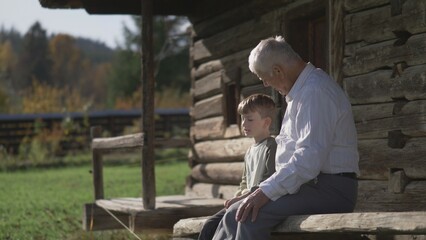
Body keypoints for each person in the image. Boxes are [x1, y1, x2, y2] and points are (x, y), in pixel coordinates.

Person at [212, 36, 360, 240]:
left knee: (249, 216)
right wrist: (260, 190)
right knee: (233, 214)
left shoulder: (315, 91)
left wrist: (264, 193)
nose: (265, 84)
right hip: (309, 186)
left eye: (264, 77)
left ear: (278, 70)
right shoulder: (301, 93)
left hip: (330, 189)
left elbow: (308, 159)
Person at [198, 93, 277, 240]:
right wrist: (236, 197)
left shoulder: (272, 147)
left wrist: (241, 200)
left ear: (266, 122)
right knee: (210, 224)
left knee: (228, 226)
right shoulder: (250, 151)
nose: (244, 124)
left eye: (250, 119)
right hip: (243, 200)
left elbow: (267, 183)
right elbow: (244, 182)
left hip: (257, 202)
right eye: (242, 119)